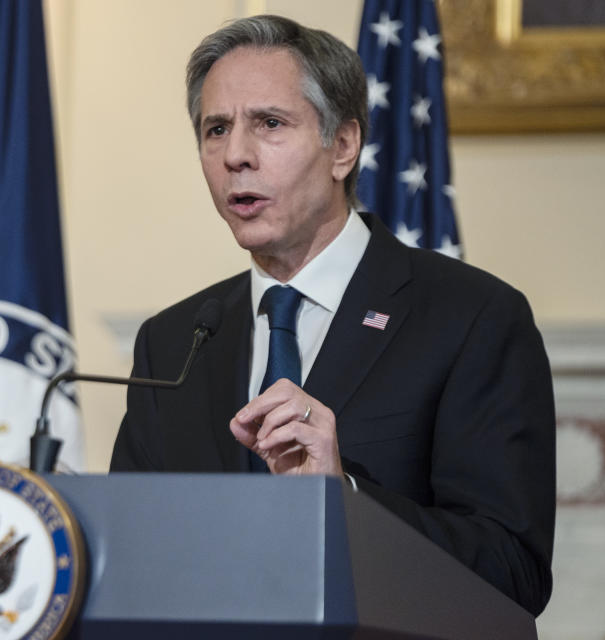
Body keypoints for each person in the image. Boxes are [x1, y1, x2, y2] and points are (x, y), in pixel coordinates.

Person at [109, 15, 554, 616]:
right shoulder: (172, 340)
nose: (235, 155)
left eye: (269, 124)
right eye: (216, 129)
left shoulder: (473, 317)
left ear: (342, 146)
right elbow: (129, 555)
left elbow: (513, 571)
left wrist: (341, 499)